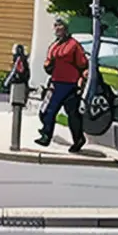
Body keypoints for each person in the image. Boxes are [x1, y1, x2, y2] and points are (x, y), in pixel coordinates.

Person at [36, 18, 87, 151]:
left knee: (72, 114)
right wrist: (47, 66)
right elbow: (48, 60)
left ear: (66, 28)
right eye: (56, 26)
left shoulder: (74, 45)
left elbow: (83, 64)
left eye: (60, 26)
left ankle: (78, 139)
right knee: (48, 111)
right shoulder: (54, 45)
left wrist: (82, 81)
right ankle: (46, 135)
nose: (58, 28)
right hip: (56, 82)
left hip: (70, 84)